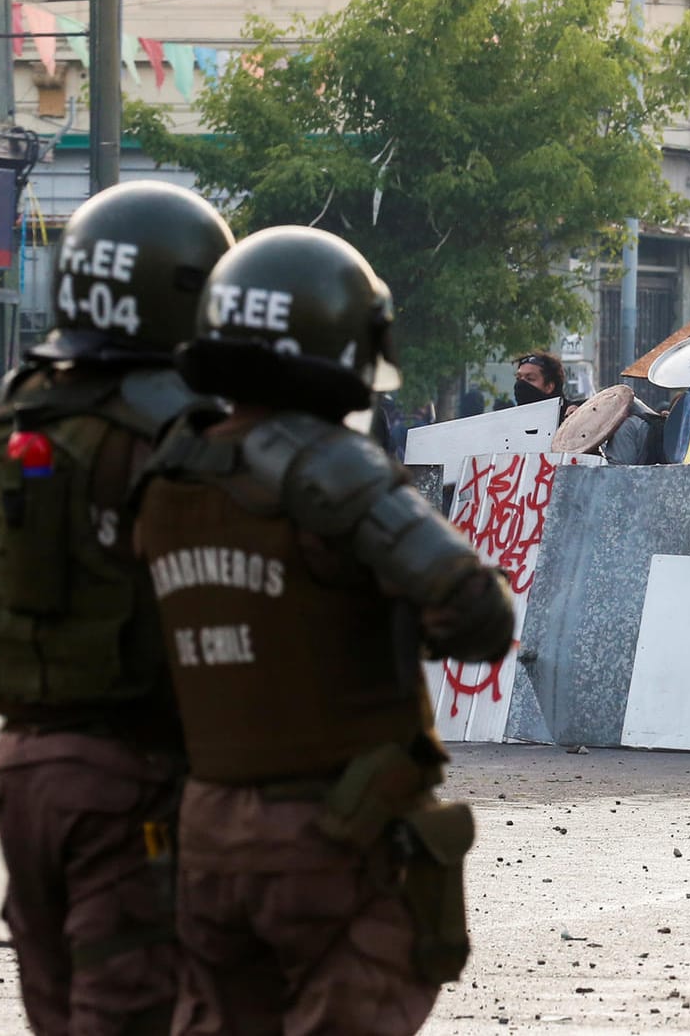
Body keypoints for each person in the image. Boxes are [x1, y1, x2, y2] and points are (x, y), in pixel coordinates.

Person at [133, 226, 515, 1034]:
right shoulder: (335, 470)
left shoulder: (168, 473)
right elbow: (476, 607)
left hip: (202, 832)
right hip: (332, 831)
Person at [0, 180, 234, 1034]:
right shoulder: (181, 433)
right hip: (134, 780)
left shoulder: (11, 409)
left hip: (18, 769)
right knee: (131, 1011)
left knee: (58, 1010)